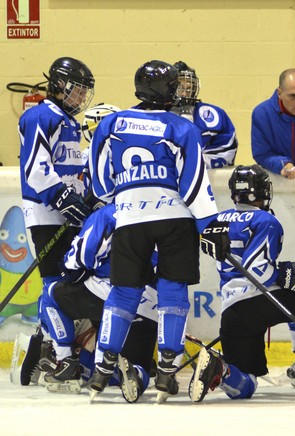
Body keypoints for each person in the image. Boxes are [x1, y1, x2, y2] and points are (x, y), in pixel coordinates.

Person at [86, 60, 230, 401]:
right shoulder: (181, 128)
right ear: (168, 91)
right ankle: (167, 367)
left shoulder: (112, 123)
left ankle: (103, 364)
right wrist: (211, 225)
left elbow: (101, 181)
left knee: (123, 291)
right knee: (172, 288)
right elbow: (193, 183)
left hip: (129, 218)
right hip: (174, 218)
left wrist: (128, 197)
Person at [187, 165, 295, 402]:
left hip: (232, 310)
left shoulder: (219, 219)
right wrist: (285, 275)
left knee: (246, 385)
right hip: (261, 301)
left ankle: (221, 370)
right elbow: (257, 271)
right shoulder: (266, 220)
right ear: (263, 191)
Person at [35, 203, 156, 402]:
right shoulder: (171, 211)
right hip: (155, 307)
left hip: (114, 296)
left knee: (50, 295)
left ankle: (68, 361)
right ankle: (138, 373)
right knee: (137, 366)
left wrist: (68, 270)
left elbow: (81, 255)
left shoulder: (111, 212)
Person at [19, 56, 95, 349]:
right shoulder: (40, 116)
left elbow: (71, 168)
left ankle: (51, 342)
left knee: (71, 282)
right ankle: (63, 354)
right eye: (78, 89)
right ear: (60, 85)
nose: (82, 96)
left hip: (66, 213)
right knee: (54, 282)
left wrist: (80, 196)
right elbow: (35, 168)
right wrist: (60, 196)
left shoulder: (69, 122)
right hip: (45, 212)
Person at [171, 61, 238, 169]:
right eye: (180, 88)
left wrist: (193, 163)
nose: (184, 94)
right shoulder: (157, 114)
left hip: (205, 178)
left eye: (188, 88)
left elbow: (227, 148)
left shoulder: (212, 115)